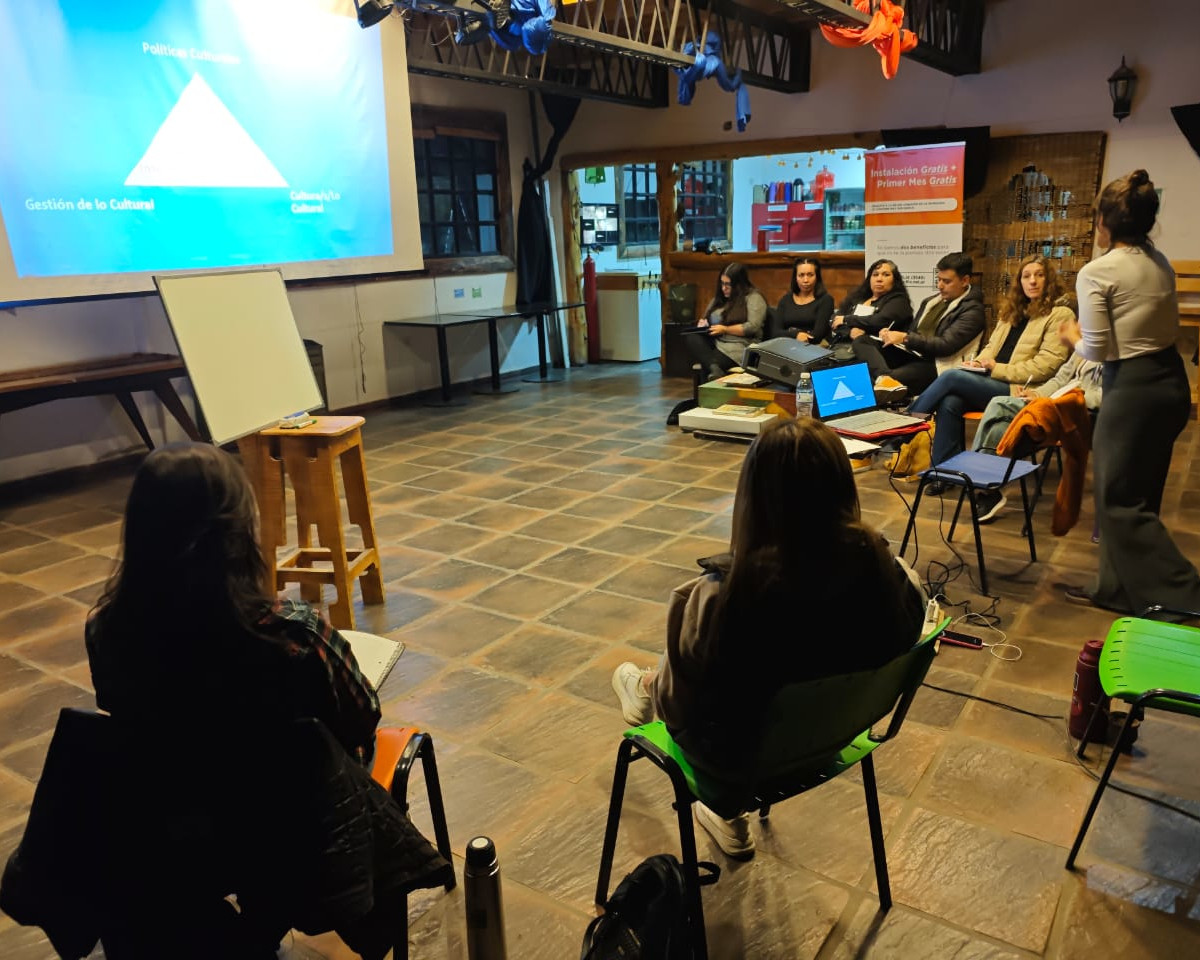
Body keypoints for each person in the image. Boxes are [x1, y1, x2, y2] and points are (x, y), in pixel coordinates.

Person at [610, 418, 926, 860]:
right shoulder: (893, 577)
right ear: (842, 486)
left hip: (734, 762)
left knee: (685, 660)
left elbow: (677, 713)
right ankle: (648, 685)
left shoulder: (719, 597)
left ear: (753, 494)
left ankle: (644, 685)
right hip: (834, 738)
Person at [86, 443, 382, 763]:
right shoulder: (295, 633)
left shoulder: (106, 630)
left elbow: (116, 711)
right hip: (290, 792)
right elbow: (363, 719)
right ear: (237, 534)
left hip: (169, 791)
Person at [1063, 170, 1200, 613]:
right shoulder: (1159, 261)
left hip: (1133, 388)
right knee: (1141, 493)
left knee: (1117, 500)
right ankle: (1115, 588)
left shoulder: (1097, 271)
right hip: (1170, 381)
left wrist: (1071, 336)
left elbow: (1097, 348)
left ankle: (1187, 593)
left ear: (1104, 221)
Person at [909, 254, 1071, 470]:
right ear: (1019, 281)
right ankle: (943, 472)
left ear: (1049, 280)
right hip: (990, 379)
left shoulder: (1060, 314)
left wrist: (996, 368)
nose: (1032, 281)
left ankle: (906, 426)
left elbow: (1046, 366)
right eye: (1026, 276)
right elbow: (991, 348)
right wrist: (979, 362)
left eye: (1039, 275)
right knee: (950, 402)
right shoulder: (1011, 311)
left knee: (951, 376)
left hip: (1021, 388)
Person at [969, 313, 1103, 523]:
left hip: (1081, 414)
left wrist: (1067, 399)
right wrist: (1037, 394)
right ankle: (988, 491)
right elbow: (1060, 379)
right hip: (1055, 405)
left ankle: (975, 476)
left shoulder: (1117, 350)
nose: (1080, 325)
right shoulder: (1085, 346)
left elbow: (1104, 396)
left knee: (998, 403)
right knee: (999, 427)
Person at [852, 252, 986, 395]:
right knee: (862, 341)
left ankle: (885, 380)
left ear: (965, 281)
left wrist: (905, 338)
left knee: (871, 378)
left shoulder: (973, 311)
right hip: (913, 353)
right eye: (939, 279)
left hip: (937, 364)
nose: (940, 286)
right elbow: (914, 331)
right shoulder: (931, 302)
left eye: (946, 282)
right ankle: (884, 379)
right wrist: (891, 335)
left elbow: (945, 346)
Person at [685, 261, 767, 379]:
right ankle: (715, 369)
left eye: (728, 284)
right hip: (716, 341)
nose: (724, 288)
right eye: (722, 283)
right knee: (692, 337)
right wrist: (703, 325)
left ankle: (713, 371)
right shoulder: (720, 298)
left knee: (707, 364)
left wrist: (725, 329)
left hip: (738, 346)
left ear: (739, 284)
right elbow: (706, 317)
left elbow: (752, 327)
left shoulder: (753, 298)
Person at [828, 259, 914, 345]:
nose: (879, 279)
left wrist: (848, 319)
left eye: (886, 275)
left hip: (875, 348)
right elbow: (834, 319)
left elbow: (880, 321)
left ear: (895, 280)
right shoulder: (858, 297)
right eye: (875, 275)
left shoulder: (899, 301)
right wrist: (850, 332)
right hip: (842, 347)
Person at [769, 257, 834, 343]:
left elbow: (817, 335)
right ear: (795, 277)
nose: (806, 280)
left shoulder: (826, 300)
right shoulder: (786, 300)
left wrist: (789, 333)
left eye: (810, 275)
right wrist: (796, 335)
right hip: (786, 345)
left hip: (813, 346)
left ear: (817, 277)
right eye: (801, 275)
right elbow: (775, 333)